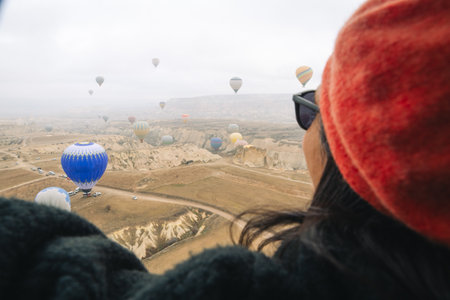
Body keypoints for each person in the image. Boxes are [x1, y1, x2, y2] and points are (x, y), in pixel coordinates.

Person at [0, 0, 449, 298]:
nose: (304, 126)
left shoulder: (258, 286)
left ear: (354, 155)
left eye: (310, 109)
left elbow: (75, 281)